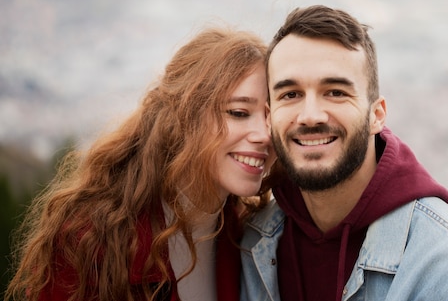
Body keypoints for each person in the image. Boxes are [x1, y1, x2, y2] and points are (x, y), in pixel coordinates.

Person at [240, 5, 448, 301]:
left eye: (335, 92)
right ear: (270, 118)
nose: (310, 116)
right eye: (291, 95)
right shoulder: (253, 247)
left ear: (377, 115)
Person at [5, 27, 275, 301]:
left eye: (271, 117)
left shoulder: (247, 233)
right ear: (185, 117)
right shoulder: (93, 240)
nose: (264, 134)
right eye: (239, 113)